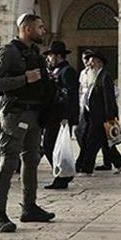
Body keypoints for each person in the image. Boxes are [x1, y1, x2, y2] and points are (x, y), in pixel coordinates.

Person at [0, 14, 56, 233]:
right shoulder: (8, 52)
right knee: (9, 161)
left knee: (32, 159)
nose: (43, 31)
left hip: (35, 114)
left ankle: (29, 206)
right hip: (15, 114)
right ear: (26, 29)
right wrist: (25, 78)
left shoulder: (34, 53)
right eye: (40, 27)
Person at [79, 49, 121, 176]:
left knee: (91, 143)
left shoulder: (105, 76)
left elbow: (109, 98)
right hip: (94, 116)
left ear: (98, 62)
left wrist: (110, 117)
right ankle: (120, 162)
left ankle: (86, 169)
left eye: (91, 62)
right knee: (104, 142)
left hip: (101, 117)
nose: (89, 65)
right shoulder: (95, 76)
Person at [41, 41, 79, 189]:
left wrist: (69, 117)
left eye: (50, 56)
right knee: (51, 146)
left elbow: (71, 95)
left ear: (57, 56)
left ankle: (63, 176)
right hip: (53, 115)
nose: (49, 59)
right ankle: (61, 175)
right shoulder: (56, 70)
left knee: (51, 146)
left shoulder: (67, 71)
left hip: (60, 116)